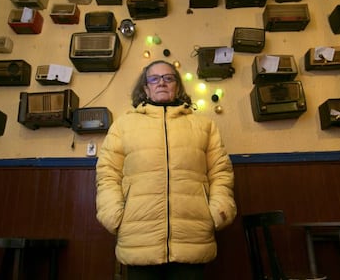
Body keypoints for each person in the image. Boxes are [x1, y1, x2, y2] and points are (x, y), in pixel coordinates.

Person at [96, 60, 237, 280]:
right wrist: (113, 216)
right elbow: (107, 173)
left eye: (168, 78)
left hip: (192, 236)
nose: (161, 83)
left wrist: (218, 211)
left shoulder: (205, 126)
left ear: (177, 86)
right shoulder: (123, 125)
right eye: (154, 78)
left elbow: (220, 172)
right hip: (139, 238)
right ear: (145, 88)